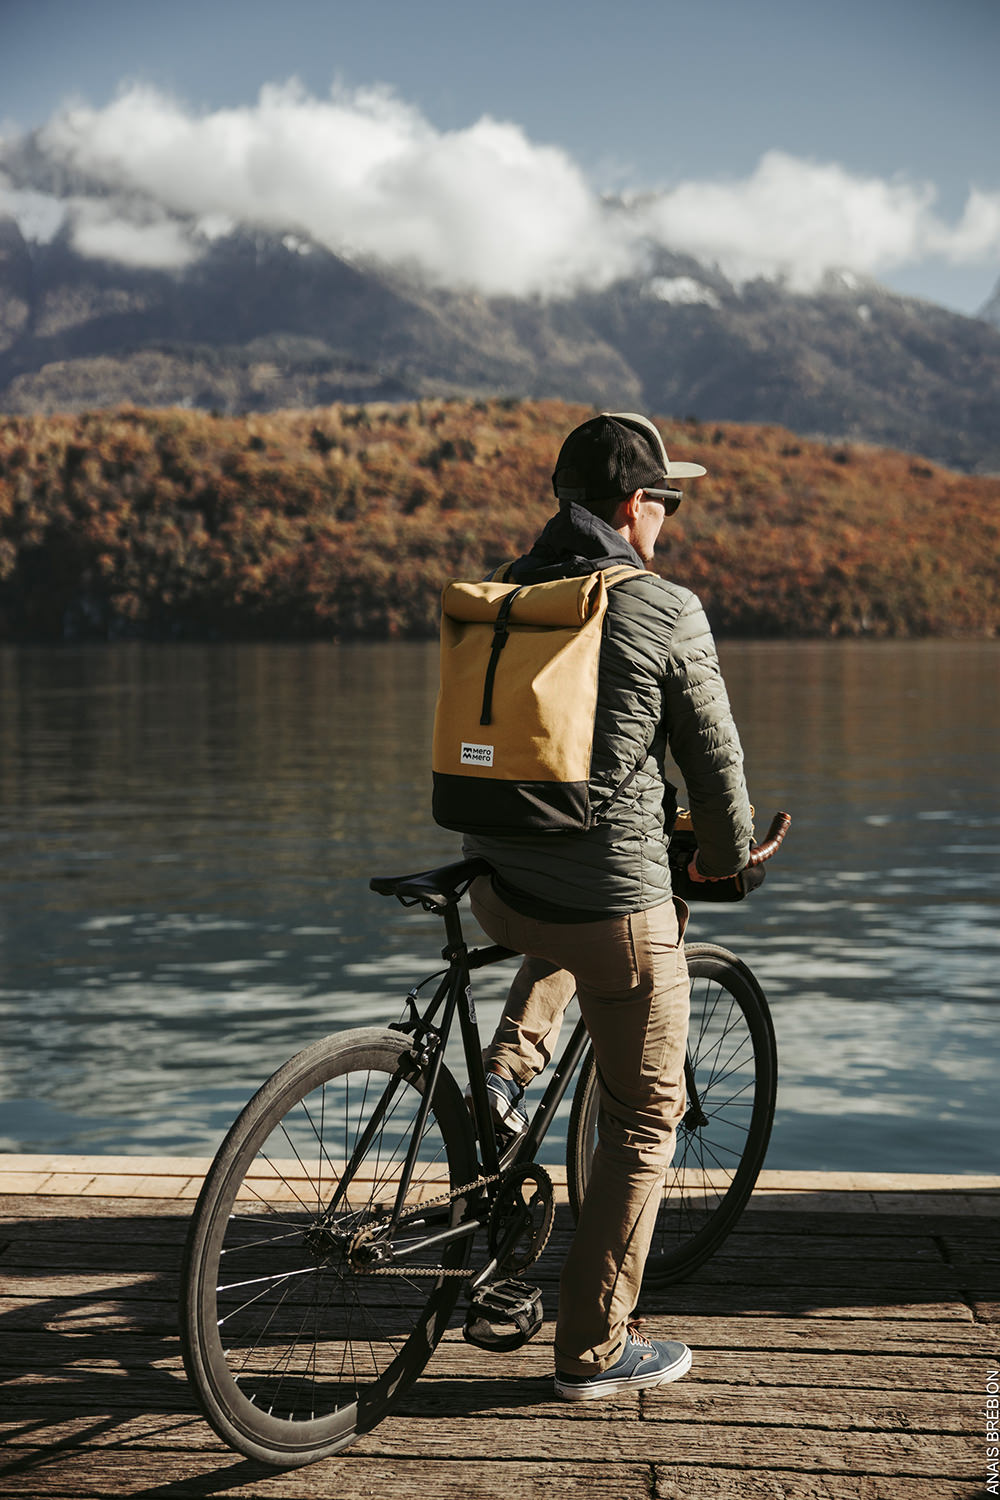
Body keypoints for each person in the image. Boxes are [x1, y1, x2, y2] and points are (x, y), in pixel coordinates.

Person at [463, 412, 754, 1400]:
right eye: (665, 501)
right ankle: (594, 1349)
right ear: (635, 506)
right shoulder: (660, 607)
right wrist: (727, 864)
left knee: (564, 913)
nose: (667, 520)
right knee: (642, 1117)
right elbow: (714, 768)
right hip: (611, 911)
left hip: (499, 891)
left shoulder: (512, 586)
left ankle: (503, 1076)